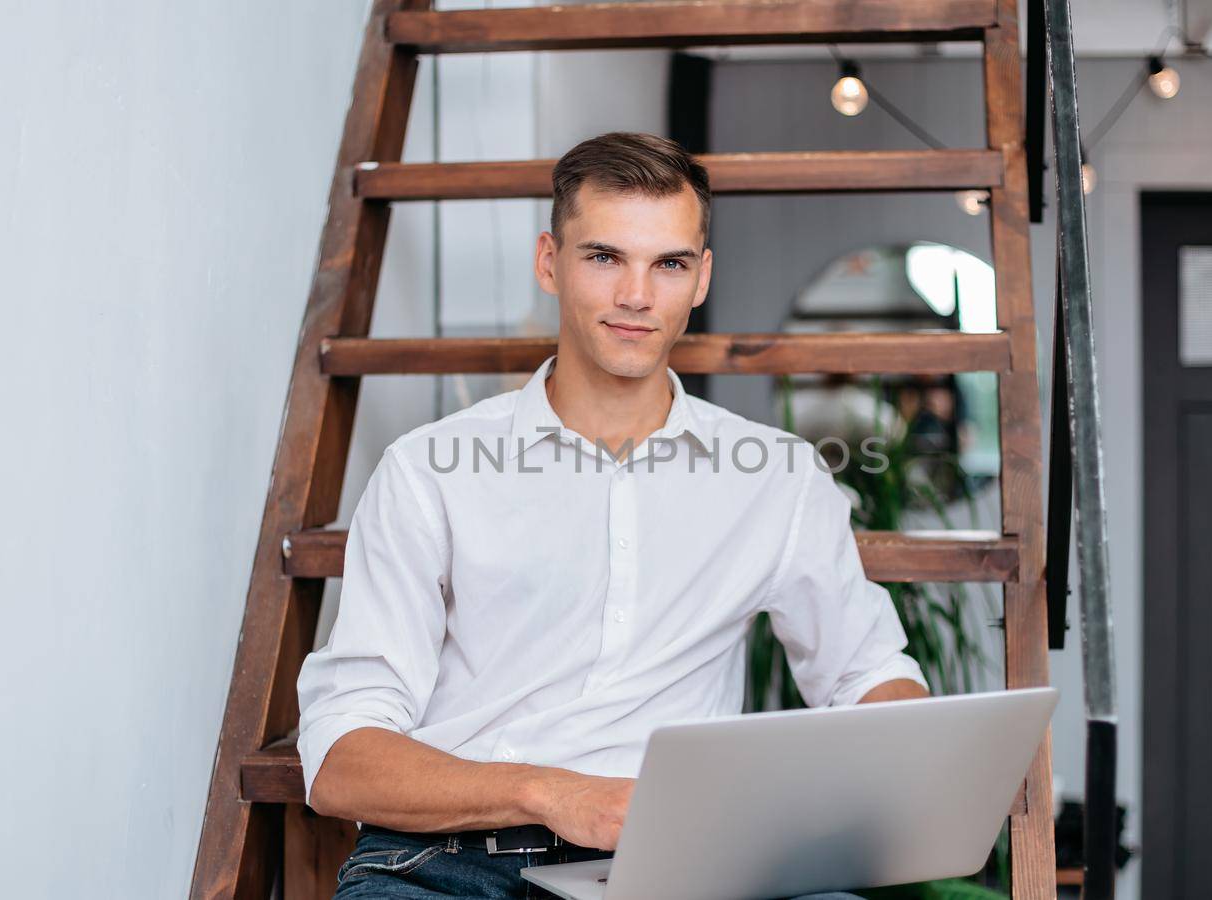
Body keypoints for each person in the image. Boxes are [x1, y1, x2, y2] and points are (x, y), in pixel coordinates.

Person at [296, 131, 930, 900]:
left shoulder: (780, 479)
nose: (637, 294)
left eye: (669, 263)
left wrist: (908, 748)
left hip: (680, 864)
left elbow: (865, 673)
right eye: (604, 257)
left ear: (701, 279)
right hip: (446, 865)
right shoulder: (429, 470)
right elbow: (340, 762)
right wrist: (552, 792)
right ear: (548, 263)